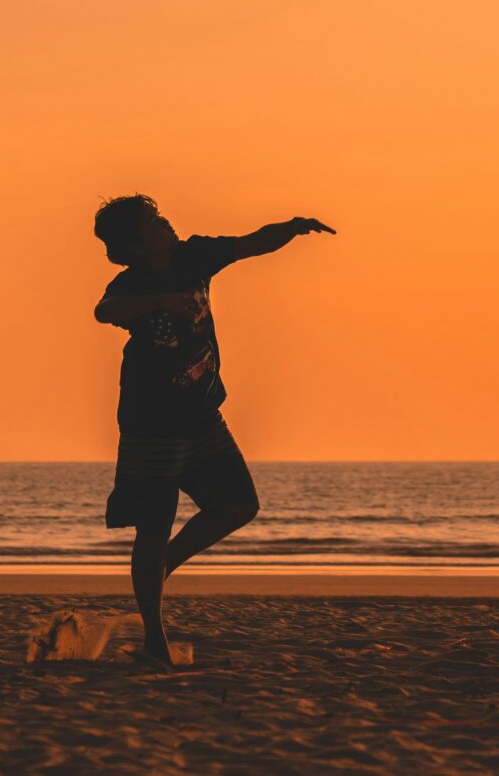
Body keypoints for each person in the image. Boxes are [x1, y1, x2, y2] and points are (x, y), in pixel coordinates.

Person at [93, 194, 336, 666]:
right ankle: (154, 641)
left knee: (240, 503)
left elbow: (249, 244)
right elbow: (104, 311)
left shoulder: (194, 255)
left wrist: (293, 224)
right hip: (152, 423)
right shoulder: (131, 283)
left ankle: (165, 563)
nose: (167, 222)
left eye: (161, 215)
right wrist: (161, 300)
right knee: (153, 527)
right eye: (154, 221)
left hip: (202, 413)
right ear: (136, 245)